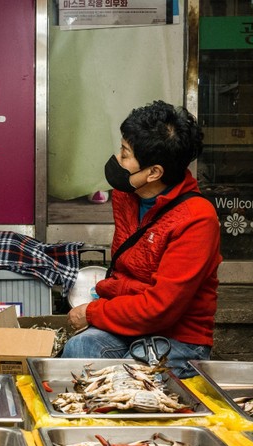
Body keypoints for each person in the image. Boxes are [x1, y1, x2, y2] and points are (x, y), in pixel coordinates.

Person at [62, 100, 221, 378]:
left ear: (154, 173)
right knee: (77, 352)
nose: (117, 160)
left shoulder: (197, 219)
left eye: (125, 154)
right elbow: (128, 270)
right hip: (127, 323)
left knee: (129, 382)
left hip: (178, 338)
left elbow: (160, 309)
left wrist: (93, 313)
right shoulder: (126, 195)